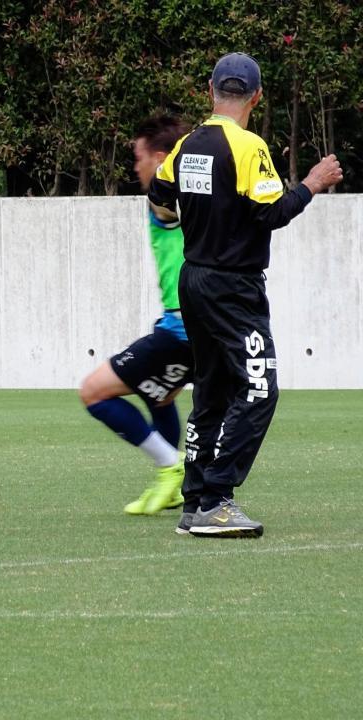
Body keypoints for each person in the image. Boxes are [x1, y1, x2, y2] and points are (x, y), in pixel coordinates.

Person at [148, 53, 343, 538]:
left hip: (193, 280)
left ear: (210, 89)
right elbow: (271, 212)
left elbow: (158, 195)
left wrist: (198, 219)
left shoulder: (189, 142)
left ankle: (195, 501)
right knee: (258, 388)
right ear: (257, 96)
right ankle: (215, 499)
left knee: (213, 389)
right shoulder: (249, 146)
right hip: (234, 286)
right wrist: (313, 184)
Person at [80, 115, 193, 516]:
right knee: (158, 395)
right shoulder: (204, 200)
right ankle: (176, 488)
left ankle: (170, 467)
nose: (135, 167)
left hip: (182, 329)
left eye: (138, 157)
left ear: (161, 160)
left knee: (93, 392)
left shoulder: (165, 199)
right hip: (202, 328)